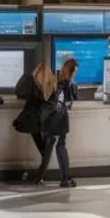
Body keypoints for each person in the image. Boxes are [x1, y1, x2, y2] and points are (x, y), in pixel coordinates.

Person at [31, 59, 79, 187]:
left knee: (49, 149)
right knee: (61, 147)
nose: (76, 74)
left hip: (49, 119)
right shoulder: (68, 84)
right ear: (72, 70)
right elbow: (70, 101)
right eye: (76, 71)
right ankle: (65, 179)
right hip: (60, 118)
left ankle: (39, 177)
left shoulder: (54, 80)